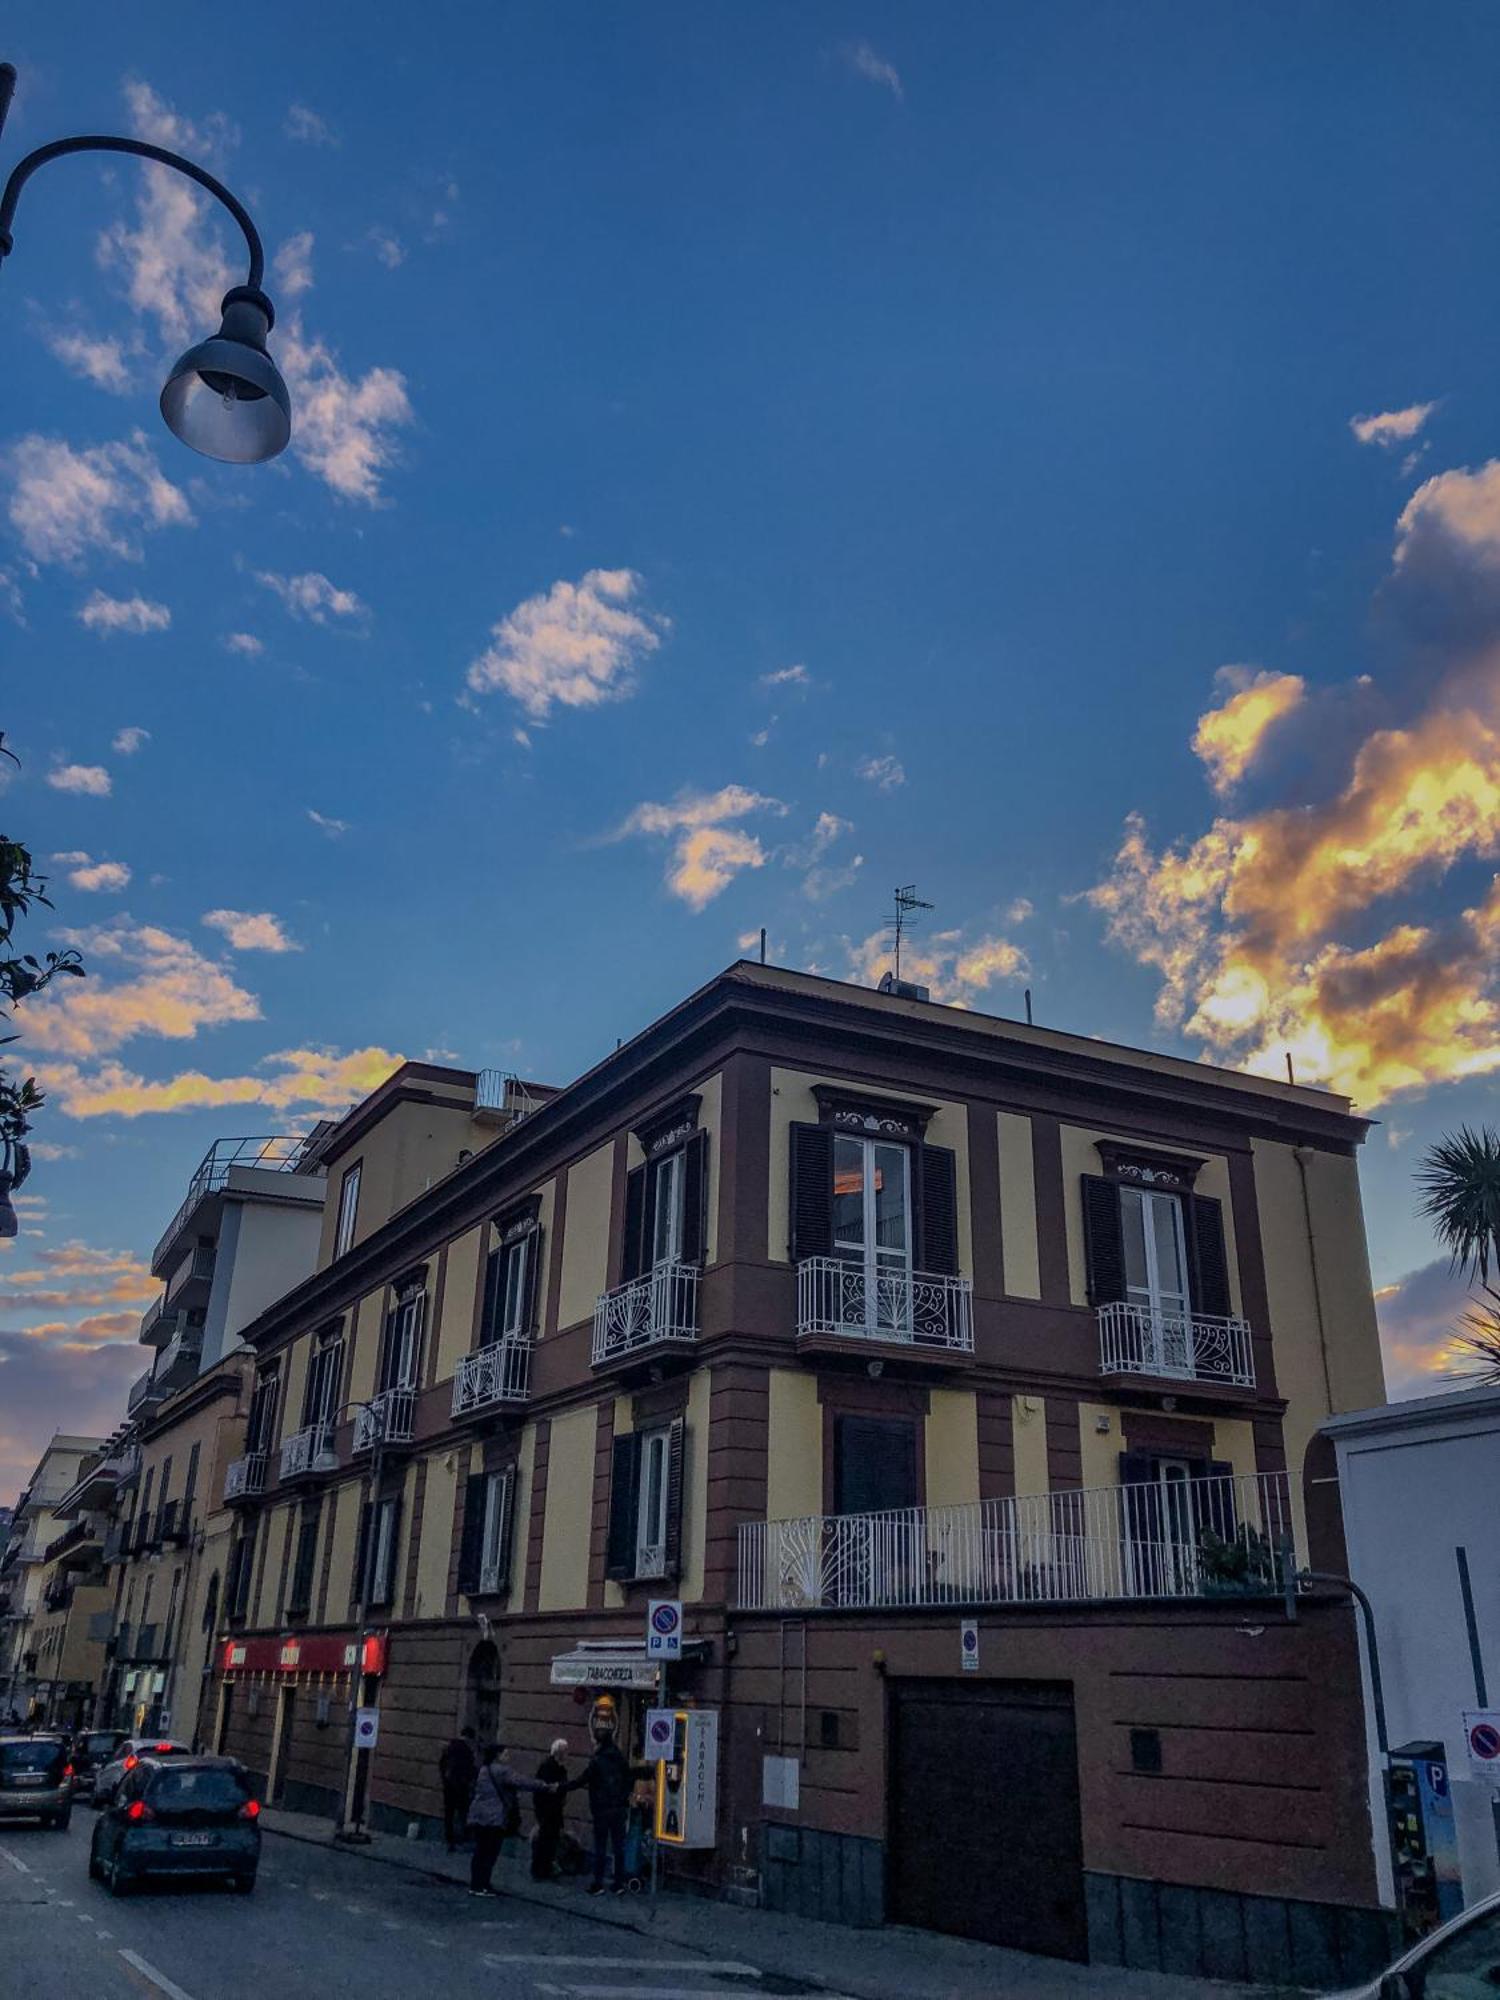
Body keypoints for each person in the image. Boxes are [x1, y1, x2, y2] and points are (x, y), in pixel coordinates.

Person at [467, 1741, 552, 1897]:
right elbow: (521, 1782)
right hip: (494, 1818)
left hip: (478, 1816)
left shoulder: (484, 1770)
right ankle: (483, 1885)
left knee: (480, 1851)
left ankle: (475, 1884)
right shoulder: (502, 1771)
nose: (508, 1756)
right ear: (498, 1756)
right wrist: (544, 1785)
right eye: (505, 1754)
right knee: (490, 1852)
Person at [582, 1727, 651, 1896]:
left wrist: (561, 1787)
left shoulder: (597, 1760)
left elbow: (583, 1779)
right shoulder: (619, 1757)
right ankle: (618, 1883)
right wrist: (624, 1798)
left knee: (600, 1847)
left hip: (602, 1810)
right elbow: (628, 1777)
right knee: (618, 1847)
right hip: (618, 1810)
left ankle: (598, 1884)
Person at [531, 1737, 572, 1880]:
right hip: (548, 1810)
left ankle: (544, 1869)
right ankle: (540, 1870)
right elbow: (542, 1790)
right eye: (565, 1752)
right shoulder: (549, 1767)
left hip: (554, 1810)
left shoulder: (558, 1767)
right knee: (544, 1841)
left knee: (550, 1841)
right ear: (558, 1753)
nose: (567, 1755)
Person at [439, 1725, 478, 1852]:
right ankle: (463, 1839)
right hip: (461, 1788)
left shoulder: (448, 1748)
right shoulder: (466, 1751)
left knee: (449, 1814)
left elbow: (441, 1766)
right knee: (463, 1813)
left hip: (448, 1787)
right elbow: (470, 1770)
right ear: (470, 1738)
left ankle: (450, 1840)